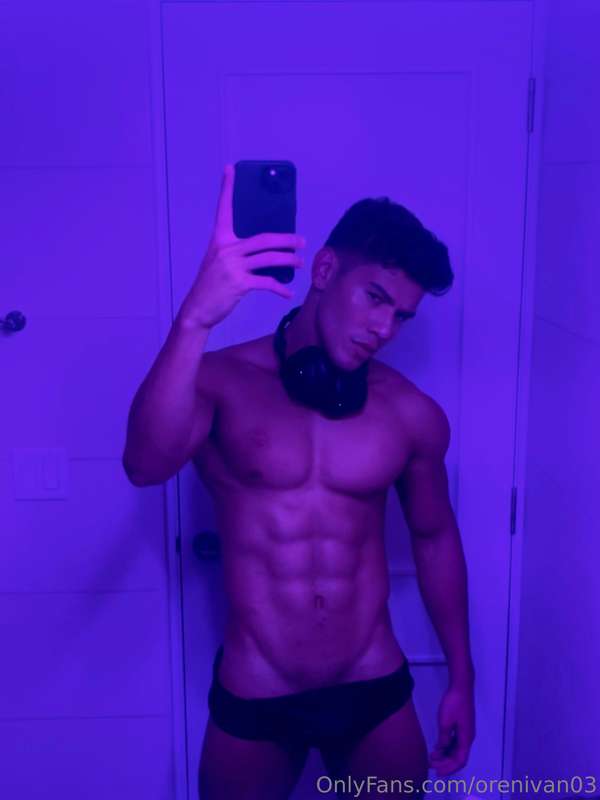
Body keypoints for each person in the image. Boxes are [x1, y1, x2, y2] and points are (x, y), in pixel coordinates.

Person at [123, 164, 476, 800]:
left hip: (372, 680)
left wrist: (462, 678)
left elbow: (434, 539)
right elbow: (144, 466)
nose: (384, 330)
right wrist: (194, 321)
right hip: (258, 687)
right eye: (375, 298)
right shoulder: (222, 382)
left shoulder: (409, 413)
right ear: (325, 270)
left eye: (402, 316)